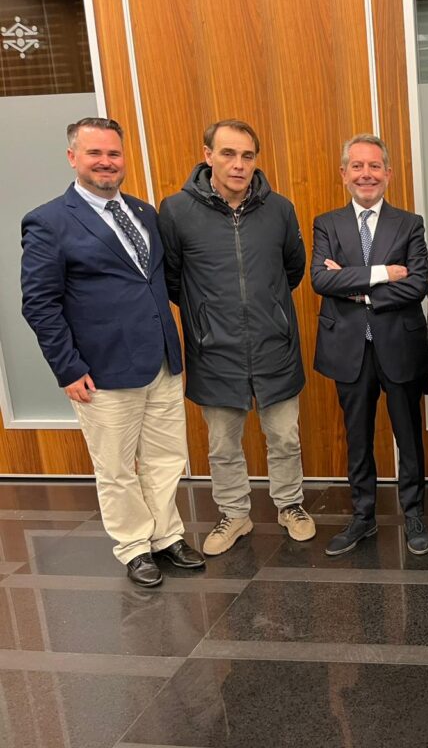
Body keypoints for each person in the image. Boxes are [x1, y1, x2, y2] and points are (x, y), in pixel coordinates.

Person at [21, 117, 204, 587]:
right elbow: (39, 303)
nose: (106, 162)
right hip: (100, 370)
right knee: (116, 467)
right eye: (95, 153)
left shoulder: (143, 212)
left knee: (166, 457)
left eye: (113, 153)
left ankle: (166, 536)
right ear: (72, 158)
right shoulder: (49, 221)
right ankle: (134, 546)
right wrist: (67, 368)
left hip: (161, 361)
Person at [159, 119, 315, 556]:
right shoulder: (176, 211)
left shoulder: (279, 209)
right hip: (214, 349)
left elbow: (293, 269)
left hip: (274, 344)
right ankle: (234, 513)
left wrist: (272, 312)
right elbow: (172, 279)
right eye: (228, 154)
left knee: (285, 436)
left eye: (247, 156)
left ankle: (290, 505)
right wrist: (208, 319)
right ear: (207, 155)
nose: (239, 164)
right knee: (223, 444)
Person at [311, 133, 428, 557]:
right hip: (349, 348)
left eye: (375, 166)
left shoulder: (410, 223)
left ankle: (414, 512)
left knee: (408, 435)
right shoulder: (327, 223)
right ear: (344, 174)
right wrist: (382, 273)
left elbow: (417, 284)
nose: (367, 174)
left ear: (388, 173)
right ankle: (362, 516)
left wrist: (354, 286)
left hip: (399, 345)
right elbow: (320, 279)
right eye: (357, 166)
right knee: (357, 436)